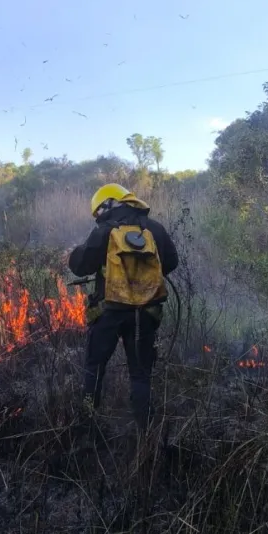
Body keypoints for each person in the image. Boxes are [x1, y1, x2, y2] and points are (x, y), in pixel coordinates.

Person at [68, 183, 179, 430]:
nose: (98, 217)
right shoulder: (155, 228)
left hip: (109, 313)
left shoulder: (105, 231)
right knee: (140, 375)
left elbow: (80, 266)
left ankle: (87, 425)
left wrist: (76, 253)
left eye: (99, 210)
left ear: (110, 203)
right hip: (145, 314)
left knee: (94, 369)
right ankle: (145, 433)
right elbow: (171, 262)